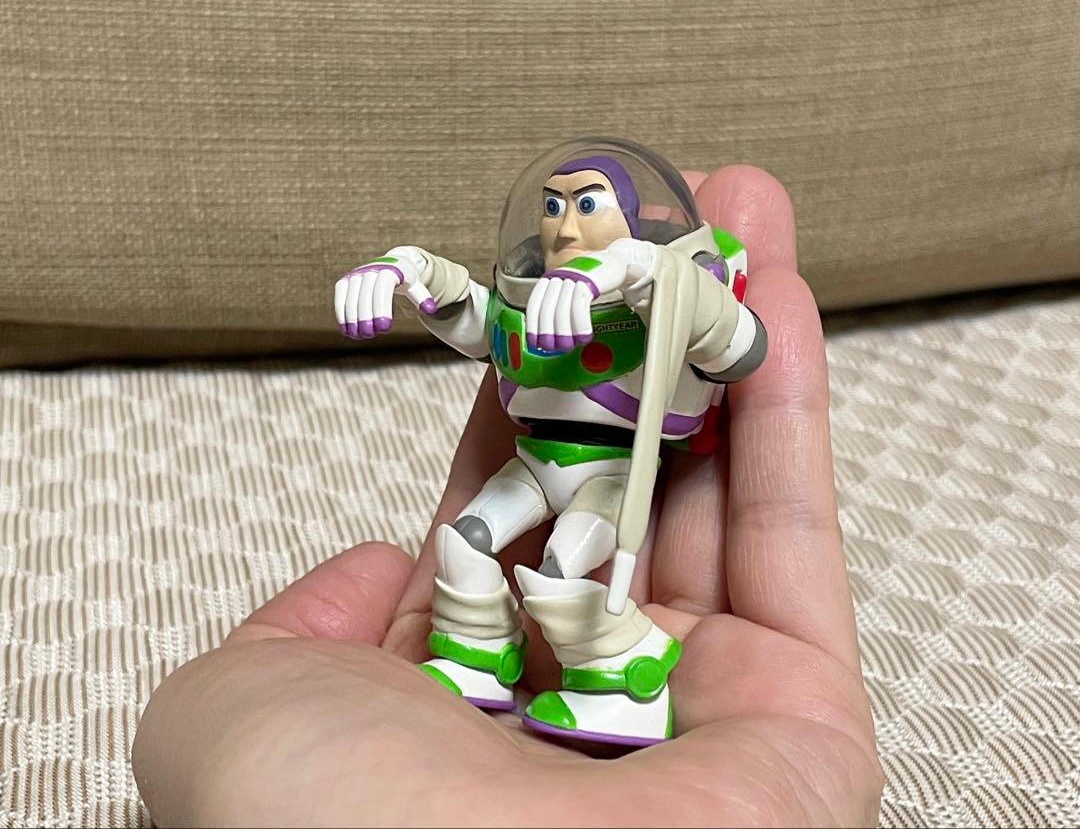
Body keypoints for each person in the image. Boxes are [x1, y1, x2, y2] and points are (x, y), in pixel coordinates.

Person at [133, 163, 884, 826]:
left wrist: (643, 276)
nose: (565, 225)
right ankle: (476, 655)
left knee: (562, 567)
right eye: (553, 206)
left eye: (588, 204)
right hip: (535, 457)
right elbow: (473, 316)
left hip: (616, 471)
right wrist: (409, 272)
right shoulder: (529, 298)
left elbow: (739, 343)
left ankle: (626, 678)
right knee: (463, 543)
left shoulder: (669, 290)